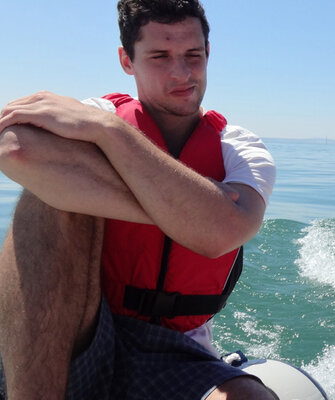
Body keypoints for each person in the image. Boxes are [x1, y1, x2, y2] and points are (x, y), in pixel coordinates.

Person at [0, 0, 278, 399]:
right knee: (48, 199)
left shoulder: (239, 149)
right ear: (127, 61)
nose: (181, 73)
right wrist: (186, 214)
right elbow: (16, 149)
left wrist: (112, 135)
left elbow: (225, 233)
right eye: (160, 56)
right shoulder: (95, 113)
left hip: (175, 349)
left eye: (193, 55)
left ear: (209, 53)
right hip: (74, 327)